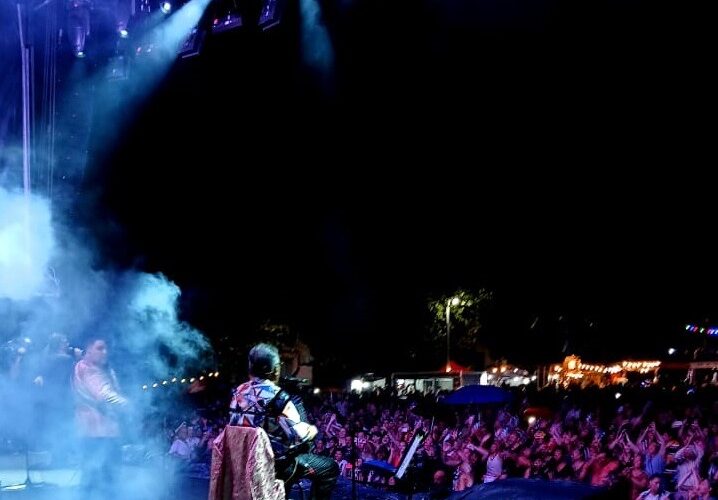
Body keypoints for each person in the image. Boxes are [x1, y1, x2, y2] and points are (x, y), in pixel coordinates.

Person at [229, 343, 338, 499]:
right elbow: (300, 436)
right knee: (330, 467)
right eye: (279, 364)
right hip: (274, 467)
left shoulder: (237, 393)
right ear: (274, 370)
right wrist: (312, 429)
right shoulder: (278, 397)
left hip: (242, 463)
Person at [73, 337, 127, 498]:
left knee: (101, 478)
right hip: (95, 432)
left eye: (105, 348)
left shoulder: (102, 369)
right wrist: (128, 404)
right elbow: (104, 394)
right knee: (99, 478)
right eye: (100, 348)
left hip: (102, 432)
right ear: (88, 350)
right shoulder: (86, 367)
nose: (105, 352)